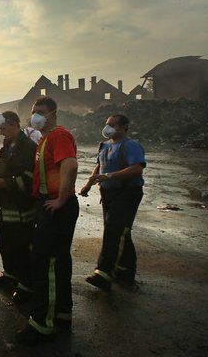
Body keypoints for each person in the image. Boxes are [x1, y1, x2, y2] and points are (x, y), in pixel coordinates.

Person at [15, 96, 79, 344]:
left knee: (46, 265)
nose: (35, 116)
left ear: (53, 113)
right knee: (59, 263)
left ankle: (42, 324)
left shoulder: (58, 135)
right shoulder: (44, 139)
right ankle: (61, 314)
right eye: (33, 112)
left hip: (56, 207)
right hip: (49, 205)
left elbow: (70, 166)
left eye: (40, 111)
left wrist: (61, 199)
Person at [79, 114, 146, 290]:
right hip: (108, 194)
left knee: (114, 231)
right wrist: (88, 184)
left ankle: (103, 273)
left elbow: (137, 169)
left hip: (127, 193)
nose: (107, 128)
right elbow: (99, 166)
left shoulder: (130, 146)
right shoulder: (104, 145)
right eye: (107, 124)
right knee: (121, 231)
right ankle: (125, 269)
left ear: (124, 127)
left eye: (112, 125)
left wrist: (109, 176)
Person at [0, 111, 37, 303]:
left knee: (21, 246)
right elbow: (2, 165)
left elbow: (30, 178)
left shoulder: (29, 147)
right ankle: (10, 274)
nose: (1, 133)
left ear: (14, 124)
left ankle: (26, 285)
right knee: (4, 240)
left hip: (22, 207)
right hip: (7, 204)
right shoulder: (8, 145)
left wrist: (6, 183)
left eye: (3, 128)